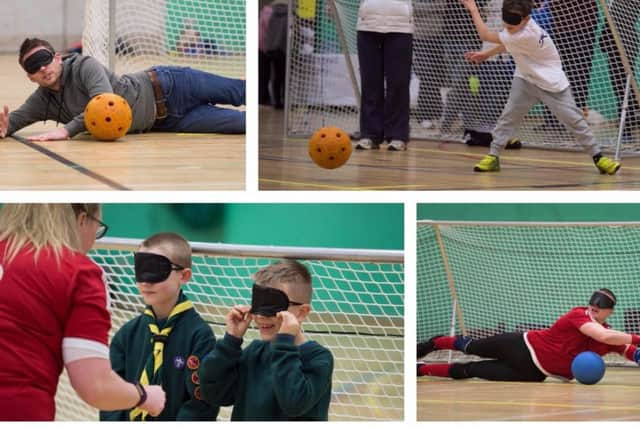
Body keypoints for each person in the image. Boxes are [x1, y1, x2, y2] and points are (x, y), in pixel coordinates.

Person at [0, 204, 165, 420]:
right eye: (97, 228)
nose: (94, 243)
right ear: (81, 220)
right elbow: (95, 386)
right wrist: (145, 395)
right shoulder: (79, 273)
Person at [460, 0, 621, 175]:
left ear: (527, 19)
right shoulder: (520, 27)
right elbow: (509, 42)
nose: (509, 26)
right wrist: (485, 54)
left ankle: (599, 158)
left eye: (513, 24)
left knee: (575, 121)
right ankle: (493, 156)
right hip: (525, 79)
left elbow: (486, 36)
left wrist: (473, 9)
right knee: (508, 117)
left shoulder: (529, 34)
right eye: (506, 22)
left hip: (551, 84)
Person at [0, 37, 245, 141]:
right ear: (30, 77)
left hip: (172, 85)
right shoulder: (42, 101)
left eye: (44, 59)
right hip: (167, 122)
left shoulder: (85, 65)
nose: (42, 68)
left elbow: (105, 102)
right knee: (242, 125)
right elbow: (12, 123)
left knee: (239, 92)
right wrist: (3, 127)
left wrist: (67, 131)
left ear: (58, 57)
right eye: (34, 67)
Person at [100, 232, 218, 421]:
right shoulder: (126, 335)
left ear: (184, 276)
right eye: (141, 270)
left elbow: (201, 405)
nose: (146, 281)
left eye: (156, 270)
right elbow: (111, 393)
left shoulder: (199, 337)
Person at [198, 260, 334, 420]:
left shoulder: (319, 359)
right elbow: (215, 394)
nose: (261, 315)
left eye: (272, 306)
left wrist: (284, 343)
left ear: (302, 312)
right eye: (258, 304)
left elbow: (294, 403)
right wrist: (230, 342)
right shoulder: (254, 353)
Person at [417, 288, 640, 382]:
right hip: (521, 345)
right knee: (469, 346)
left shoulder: (611, 335)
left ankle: (421, 370)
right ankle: (434, 343)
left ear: (610, 311)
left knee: (469, 370)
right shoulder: (579, 314)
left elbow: (628, 350)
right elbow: (603, 336)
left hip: (532, 372)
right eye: (593, 303)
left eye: (600, 307)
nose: (594, 307)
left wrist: (637, 353)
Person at [354, 0, 414, 151]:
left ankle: (398, 135)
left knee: (398, 83)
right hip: (368, 24)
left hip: (400, 27)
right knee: (370, 82)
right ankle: (370, 134)